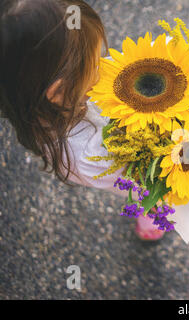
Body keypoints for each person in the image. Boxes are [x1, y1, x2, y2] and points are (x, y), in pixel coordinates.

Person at [0, 0, 165, 240]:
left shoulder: (29, 97)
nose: (104, 66)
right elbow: (140, 168)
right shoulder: (92, 154)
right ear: (58, 93)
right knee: (147, 192)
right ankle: (151, 212)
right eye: (95, 65)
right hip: (128, 168)